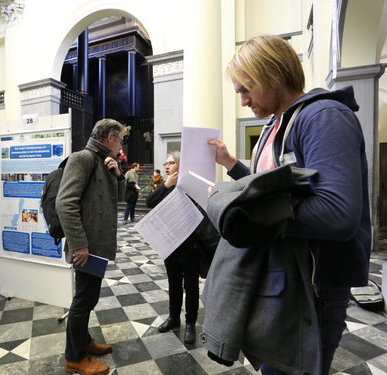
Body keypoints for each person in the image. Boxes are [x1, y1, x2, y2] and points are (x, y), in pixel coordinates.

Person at [204, 35, 371, 374]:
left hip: (313, 287)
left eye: (246, 89)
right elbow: (271, 185)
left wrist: (246, 213)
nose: (244, 100)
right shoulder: (275, 125)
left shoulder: (324, 116)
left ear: (272, 74)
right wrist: (232, 165)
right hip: (282, 278)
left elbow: (337, 214)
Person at [56, 118, 126, 375]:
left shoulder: (103, 161)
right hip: (85, 248)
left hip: (96, 247)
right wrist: (79, 245)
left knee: (88, 298)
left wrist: (117, 173)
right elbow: (65, 203)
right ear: (110, 137)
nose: (120, 145)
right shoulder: (83, 158)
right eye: (120, 139)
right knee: (83, 301)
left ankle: (84, 342)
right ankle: (74, 357)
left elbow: (117, 199)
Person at [146, 152, 200, 344]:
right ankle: (174, 318)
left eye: (171, 163)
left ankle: (191, 323)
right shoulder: (165, 186)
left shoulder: (190, 185)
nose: (167, 166)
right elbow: (149, 202)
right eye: (166, 163)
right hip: (171, 245)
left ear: (180, 166)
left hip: (190, 245)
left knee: (191, 286)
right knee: (174, 283)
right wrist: (166, 185)